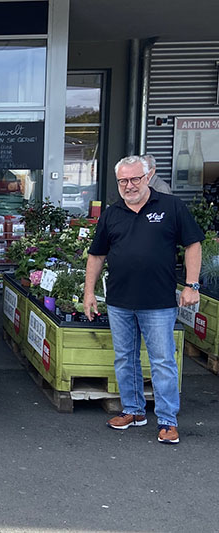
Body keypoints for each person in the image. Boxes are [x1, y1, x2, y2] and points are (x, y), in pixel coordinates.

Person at [84, 155, 203, 445]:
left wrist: (192, 285)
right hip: (120, 300)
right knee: (125, 358)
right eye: (123, 180)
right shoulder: (112, 213)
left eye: (135, 178)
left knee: (162, 361)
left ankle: (167, 420)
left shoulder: (171, 206)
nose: (129, 185)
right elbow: (96, 255)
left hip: (158, 301)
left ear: (148, 176)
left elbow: (193, 244)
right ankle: (134, 411)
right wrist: (89, 292)